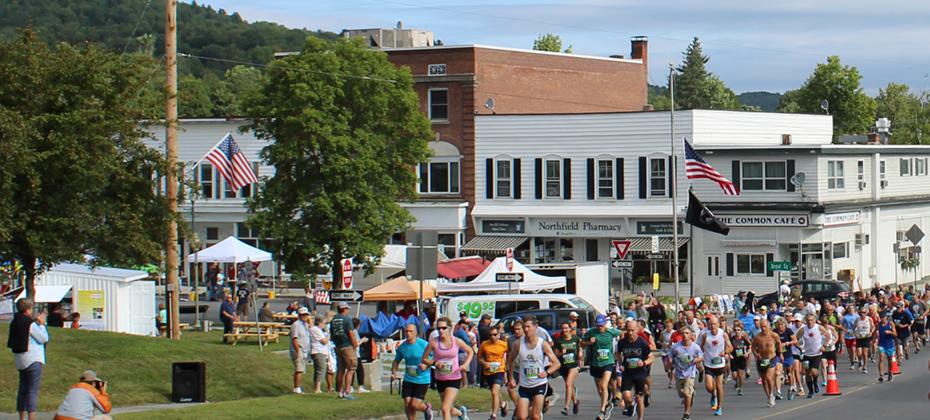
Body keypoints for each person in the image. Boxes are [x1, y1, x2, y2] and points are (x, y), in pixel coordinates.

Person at [506, 315, 560, 420]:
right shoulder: (518, 344)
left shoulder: (542, 344)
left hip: (539, 384)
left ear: (535, 327)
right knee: (521, 417)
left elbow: (557, 363)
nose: (526, 330)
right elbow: (510, 360)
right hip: (524, 385)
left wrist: (547, 372)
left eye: (528, 327)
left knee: (535, 416)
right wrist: (511, 378)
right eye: (524, 327)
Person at [420, 317, 472, 420]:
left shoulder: (456, 341)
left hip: (454, 378)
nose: (441, 331)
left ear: (450, 328)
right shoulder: (433, 342)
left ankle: (460, 413)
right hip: (440, 379)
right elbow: (424, 359)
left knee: (444, 408)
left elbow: (470, 351)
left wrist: (465, 364)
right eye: (438, 328)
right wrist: (435, 363)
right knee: (450, 409)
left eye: (444, 328)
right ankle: (461, 414)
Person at [7, 298, 49, 420]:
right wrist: (41, 325)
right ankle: (32, 417)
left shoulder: (15, 322)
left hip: (20, 359)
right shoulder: (30, 324)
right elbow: (43, 338)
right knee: (32, 390)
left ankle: (21, 416)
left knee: (23, 389)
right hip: (33, 358)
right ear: (28, 309)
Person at [582, 314, 622, 420]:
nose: (600, 327)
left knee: (604, 386)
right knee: (600, 390)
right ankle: (606, 402)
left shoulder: (611, 331)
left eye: (601, 325)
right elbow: (581, 343)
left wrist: (620, 348)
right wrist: (588, 342)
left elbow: (622, 333)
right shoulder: (592, 332)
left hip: (608, 362)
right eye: (598, 325)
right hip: (595, 364)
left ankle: (602, 411)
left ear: (605, 324)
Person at [392, 324, 434, 420]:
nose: (408, 333)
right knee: (407, 403)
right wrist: (394, 373)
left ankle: (427, 408)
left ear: (415, 333)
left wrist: (426, 365)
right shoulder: (402, 347)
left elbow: (433, 357)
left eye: (411, 331)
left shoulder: (423, 344)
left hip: (422, 379)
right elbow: (396, 361)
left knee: (414, 404)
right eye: (406, 331)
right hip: (409, 378)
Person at [617, 319, 653, 420]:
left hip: (639, 374)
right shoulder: (622, 342)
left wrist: (644, 363)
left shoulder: (642, 343)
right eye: (628, 330)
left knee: (639, 398)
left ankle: (640, 418)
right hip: (627, 373)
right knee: (626, 395)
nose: (630, 333)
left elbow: (651, 357)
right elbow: (618, 354)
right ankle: (631, 404)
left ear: (637, 330)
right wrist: (621, 364)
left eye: (632, 330)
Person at [699, 315, 732, 416]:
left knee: (719, 386)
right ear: (708, 325)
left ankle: (719, 407)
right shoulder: (705, 335)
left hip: (720, 363)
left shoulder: (723, 334)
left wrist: (725, 352)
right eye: (711, 324)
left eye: (714, 324)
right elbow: (701, 347)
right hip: (709, 363)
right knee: (709, 387)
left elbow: (730, 347)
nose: (712, 326)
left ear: (718, 324)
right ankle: (713, 395)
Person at [669, 325, 703, 420]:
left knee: (687, 394)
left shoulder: (695, 347)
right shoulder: (676, 347)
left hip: (690, 373)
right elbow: (670, 356)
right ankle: (691, 394)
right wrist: (670, 363)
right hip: (679, 374)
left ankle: (687, 413)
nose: (685, 335)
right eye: (683, 333)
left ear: (691, 335)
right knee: (682, 394)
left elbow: (701, 356)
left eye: (687, 333)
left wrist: (695, 360)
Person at [477, 325, 509, 419]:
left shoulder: (504, 345)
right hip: (488, 371)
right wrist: (484, 363)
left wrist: (507, 368)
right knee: (495, 392)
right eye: (490, 335)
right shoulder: (484, 344)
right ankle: (503, 404)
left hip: (499, 370)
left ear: (499, 335)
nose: (492, 337)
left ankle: (493, 415)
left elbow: (511, 355)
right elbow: (479, 357)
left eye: (495, 335)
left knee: (494, 391)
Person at [330, 302, 359, 400]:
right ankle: (347, 391)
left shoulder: (333, 320)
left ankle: (339, 391)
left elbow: (332, 334)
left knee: (341, 369)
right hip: (347, 346)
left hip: (338, 346)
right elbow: (351, 334)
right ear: (344, 309)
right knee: (351, 369)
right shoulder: (347, 320)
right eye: (347, 309)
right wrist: (354, 346)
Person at [554, 321, 581, 416]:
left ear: (570, 329)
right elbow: (556, 354)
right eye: (563, 328)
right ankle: (575, 402)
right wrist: (562, 353)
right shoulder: (559, 340)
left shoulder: (575, 338)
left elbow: (580, 347)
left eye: (566, 328)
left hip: (574, 365)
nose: (564, 330)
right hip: (564, 366)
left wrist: (581, 354)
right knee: (569, 385)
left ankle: (566, 407)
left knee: (568, 384)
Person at [751, 320, 779, 407]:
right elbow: (752, 347)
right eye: (761, 327)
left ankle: (771, 393)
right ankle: (769, 396)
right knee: (764, 379)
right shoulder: (757, 337)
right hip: (762, 360)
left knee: (768, 377)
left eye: (765, 326)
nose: (763, 328)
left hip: (771, 358)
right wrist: (756, 354)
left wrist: (780, 353)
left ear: (769, 326)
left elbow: (779, 343)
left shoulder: (773, 335)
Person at [798, 314, 827, 398]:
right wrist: (799, 347)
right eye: (808, 320)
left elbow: (827, 335)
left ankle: (815, 381)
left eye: (811, 320)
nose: (809, 322)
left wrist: (824, 345)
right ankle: (810, 391)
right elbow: (795, 338)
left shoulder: (819, 328)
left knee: (814, 372)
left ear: (814, 320)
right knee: (807, 373)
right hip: (806, 354)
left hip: (816, 354)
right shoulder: (803, 329)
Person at [290, 307, 312, 394]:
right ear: (299, 315)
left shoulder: (305, 324)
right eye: (303, 315)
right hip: (299, 349)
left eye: (306, 314)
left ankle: (298, 387)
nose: (305, 316)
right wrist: (298, 351)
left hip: (305, 349)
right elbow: (294, 338)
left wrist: (310, 322)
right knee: (299, 369)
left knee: (301, 369)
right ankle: (297, 388)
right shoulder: (296, 325)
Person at [309, 315, 330, 394]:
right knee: (321, 369)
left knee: (319, 369)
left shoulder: (318, 330)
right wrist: (328, 335)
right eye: (324, 323)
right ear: (320, 323)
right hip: (318, 351)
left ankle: (316, 387)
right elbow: (324, 341)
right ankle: (317, 388)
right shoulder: (315, 330)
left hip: (321, 351)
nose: (324, 325)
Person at [729, 320, 751, 396]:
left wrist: (747, 353)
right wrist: (729, 354)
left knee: (741, 376)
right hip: (734, 358)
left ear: (741, 331)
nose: (737, 331)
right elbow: (727, 347)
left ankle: (740, 387)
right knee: (734, 375)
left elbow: (749, 347)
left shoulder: (744, 339)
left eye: (738, 330)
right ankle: (736, 382)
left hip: (742, 358)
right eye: (735, 330)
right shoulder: (731, 339)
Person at [876, 311, 898, 383]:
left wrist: (890, 332)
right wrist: (873, 340)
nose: (882, 319)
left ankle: (890, 372)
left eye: (884, 317)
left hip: (889, 344)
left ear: (886, 317)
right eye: (881, 317)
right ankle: (881, 375)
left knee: (890, 360)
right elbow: (874, 332)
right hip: (881, 344)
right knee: (881, 358)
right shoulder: (878, 325)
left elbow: (895, 334)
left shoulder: (890, 324)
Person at [854, 306, 874, 374]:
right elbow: (854, 328)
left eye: (864, 312)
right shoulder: (857, 319)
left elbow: (873, 327)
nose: (862, 314)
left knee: (865, 353)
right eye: (861, 313)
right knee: (859, 353)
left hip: (866, 337)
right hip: (859, 337)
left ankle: (865, 367)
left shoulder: (869, 319)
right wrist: (855, 334)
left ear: (866, 313)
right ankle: (860, 362)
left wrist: (871, 332)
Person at [841, 304, 860, 369]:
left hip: (854, 335)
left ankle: (854, 360)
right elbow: (842, 325)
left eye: (852, 308)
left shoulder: (857, 316)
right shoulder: (845, 317)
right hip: (848, 335)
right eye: (849, 308)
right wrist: (845, 330)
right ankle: (852, 362)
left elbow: (860, 324)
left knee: (853, 349)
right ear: (848, 310)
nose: (851, 309)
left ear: (854, 309)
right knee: (849, 352)